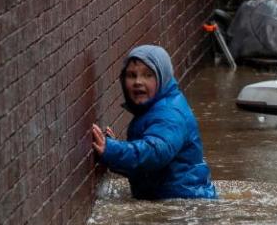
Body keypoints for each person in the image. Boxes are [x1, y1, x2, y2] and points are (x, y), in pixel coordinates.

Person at [91, 45, 217, 200]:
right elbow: (145, 169)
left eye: (148, 75)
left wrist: (112, 149)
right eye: (131, 75)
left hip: (184, 203)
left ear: (162, 78)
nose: (138, 81)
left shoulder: (169, 114)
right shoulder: (152, 109)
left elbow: (154, 154)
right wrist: (113, 153)